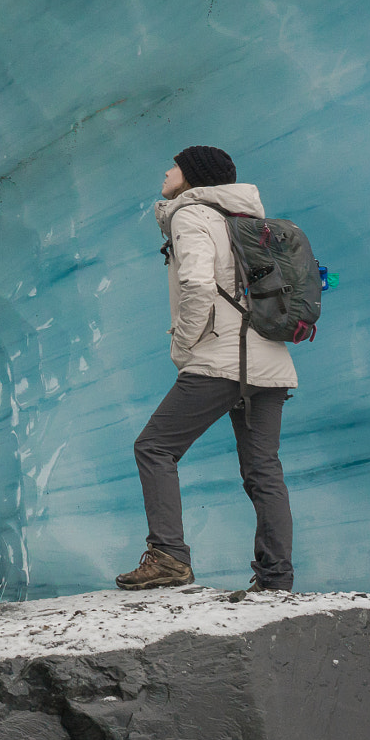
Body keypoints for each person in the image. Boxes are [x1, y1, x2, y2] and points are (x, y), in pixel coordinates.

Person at [116, 145, 298, 593]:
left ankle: (169, 556)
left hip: (220, 360)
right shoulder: (246, 221)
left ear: (193, 176)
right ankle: (275, 578)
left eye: (174, 165)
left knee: (154, 448)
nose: (166, 170)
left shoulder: (191, 215)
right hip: (269, 362)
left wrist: (183, 347)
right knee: (263, 468)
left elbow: (197, 285)